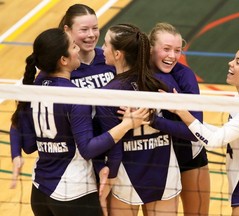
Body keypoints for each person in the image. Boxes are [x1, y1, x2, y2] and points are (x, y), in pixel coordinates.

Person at [10, 28, 149, 216]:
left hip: (40, 191)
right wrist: (126, 125)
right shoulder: (74, 96)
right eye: (74, 46)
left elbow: (28, 145)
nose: (78, 50)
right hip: (73, 193)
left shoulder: (34, 89)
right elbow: (88, 149)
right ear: (63, 60)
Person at [10, 3, 115, 189]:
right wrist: (16, 154)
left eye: (95, 28)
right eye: (84, 29)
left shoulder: (109, 61)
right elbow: (23, 113)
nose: (91, 34)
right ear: (67, 30)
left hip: (113, 155)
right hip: (80, 163)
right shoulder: (55, 72)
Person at [171, 45, 239, 216]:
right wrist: (185, 120)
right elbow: (221, 134)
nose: (230, 63)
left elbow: (214, 141)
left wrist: (183, 113)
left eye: (238, 62)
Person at [97, 23, 182, 216]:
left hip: (126, 174)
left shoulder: (108, 93)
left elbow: (114, 146)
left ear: (118, 54)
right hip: (164, 169)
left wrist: (108, 178)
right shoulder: (160, 82)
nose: (102, 48)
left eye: (106, 44)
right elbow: (184, 128)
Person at [148, 22, 210, 216]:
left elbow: (195, 132)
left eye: (177, 50)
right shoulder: (138, 74)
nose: (172, 56)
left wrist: (153, 121)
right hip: (156, 159)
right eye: (166, 49)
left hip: (189, 156)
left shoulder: (185, 75)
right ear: (150, 48)